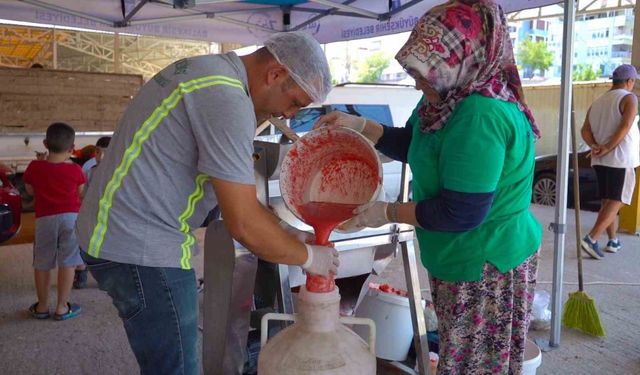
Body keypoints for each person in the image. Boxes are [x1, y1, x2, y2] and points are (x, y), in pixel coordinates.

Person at [76, 31, 338, 374]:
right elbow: (243, 224)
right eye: (295, 102)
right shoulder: (226, 99)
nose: (288, 115)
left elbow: (240, 197)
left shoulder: (208, 70)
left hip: (114, 231)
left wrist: (289, 232)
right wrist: (310, 258)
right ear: (275, 74)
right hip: (141, 248)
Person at [316, 1, 542, 374]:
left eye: (426, 72)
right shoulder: (446, 99)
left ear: (463, 59)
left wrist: (385, 213)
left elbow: (460, 211)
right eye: (415, 71)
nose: (418, 81)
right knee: (460, 354)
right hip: (458, 257)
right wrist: (362, 127)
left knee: (475, 366)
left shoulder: (480, 115)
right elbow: (420, 148)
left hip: (485, 265)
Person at [23, 122, 86, 321]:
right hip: (71, 219)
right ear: (72, 148)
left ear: (44, 143)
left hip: (45, 220)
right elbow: (80, 192)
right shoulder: (76, 170)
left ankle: (42, 306)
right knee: (68, 261)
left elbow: (30, 191)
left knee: (42, 262)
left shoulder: (34, 167)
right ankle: (61, 307)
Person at [580, 64, 640, 259]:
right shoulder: (629, 98)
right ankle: (591, 238)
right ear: (630, 81)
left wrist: (594, 145)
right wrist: (607, 147)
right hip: (620, 158)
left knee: (608, 200)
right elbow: (625, 126)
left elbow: (585, 130)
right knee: (618, 199)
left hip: (600, 159)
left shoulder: (598, 102)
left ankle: (613, 240)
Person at [73, 136, 113, 289]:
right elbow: (83, 194)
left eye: (106, 153)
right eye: (98, 152)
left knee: (107, 248)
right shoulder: (90, 172)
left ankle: (107, 277)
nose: (100, 157)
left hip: (111, 218)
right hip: (92, 216)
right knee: (86, 244)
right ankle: (81, 271)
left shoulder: (117, 173)